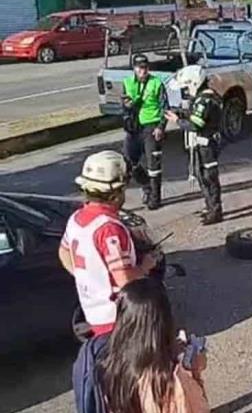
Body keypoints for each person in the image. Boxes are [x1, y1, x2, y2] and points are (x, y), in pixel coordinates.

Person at [58, 150, 157, 413]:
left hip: (93, 313)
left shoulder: (77, 219)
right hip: (119, 321)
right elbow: (125, 278)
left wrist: (85, 276)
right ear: (116, 192)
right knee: (132, 384)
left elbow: (64, 252)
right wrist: (146, 266)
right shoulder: (110, 228)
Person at [97, 278, 209, 413]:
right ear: (164, 322)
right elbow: (199, 408)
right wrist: (193, 372)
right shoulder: (170, 382)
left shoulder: (112, 363)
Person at [165, 65, 224, 225]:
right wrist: (182, 114)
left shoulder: (205, 101)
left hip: (207, 144)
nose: (185, 91)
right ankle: (210, 206)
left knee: (209, 177)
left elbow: (195, 125)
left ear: (194, 83)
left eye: (186, 87)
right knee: (200, 174)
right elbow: (195, 116)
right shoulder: (204, 98)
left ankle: (215, 211)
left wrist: (177, 120)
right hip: (203, 143)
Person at [122, 54, 169, 210]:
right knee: (129, 161)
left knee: (153, 164)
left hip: (151, 126)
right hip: (134, 128)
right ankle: (146, 185)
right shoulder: (128, 83)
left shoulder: (156, 83)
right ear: (134, 69)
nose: (143, 71)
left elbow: (165, 107)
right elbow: (125, 104)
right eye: (140, 68)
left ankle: (155, 198)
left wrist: (160, 127)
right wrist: (128, 104)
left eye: (145, 68)